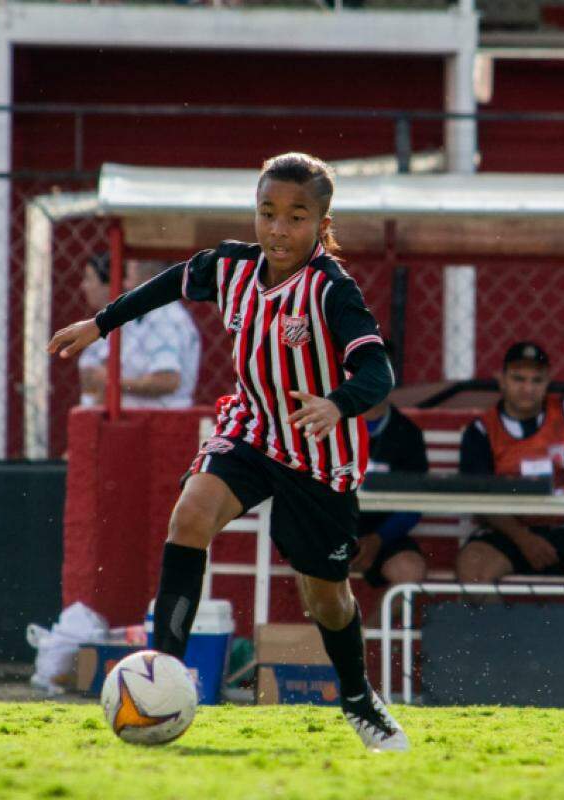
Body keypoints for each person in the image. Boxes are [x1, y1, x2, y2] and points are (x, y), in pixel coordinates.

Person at [49, 152, 407, 751]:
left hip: (318, 453)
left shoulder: (332, 290)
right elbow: (170, 283)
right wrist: (102, 323)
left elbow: (378, 370)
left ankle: (357, 698)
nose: (277, 229)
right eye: (267, 213)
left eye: (295, 218)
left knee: (327, 597)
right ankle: (160, 674)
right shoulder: (231, 265)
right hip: (250, 430)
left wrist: (335, 404)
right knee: (190, 515)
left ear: (320, 225)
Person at [456, 342, 564, 585]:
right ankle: (499, 626)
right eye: (518, 379)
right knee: (474, 569)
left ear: (548, 382)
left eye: (537, 380)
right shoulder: (482, 431)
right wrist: (523, 539)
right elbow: (478, 497)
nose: (528, 388)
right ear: (501, 380)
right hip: (507, 532)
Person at [78, 255, 201, 409]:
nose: (127, 268)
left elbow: (167, 380)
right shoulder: (143, 314)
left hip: (161, 419)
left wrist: (112, 381)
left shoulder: (164, 314)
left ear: (149, 269)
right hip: (141, 418)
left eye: (133, 262)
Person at [350, 379, 429, 590]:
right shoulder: (329, 425)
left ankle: (367, 625)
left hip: (386, 534)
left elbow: (414, 504)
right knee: (310, 564)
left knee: (410, 571)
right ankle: (324, 625)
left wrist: (378, 539)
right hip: (335, 529)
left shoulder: (408, 433)